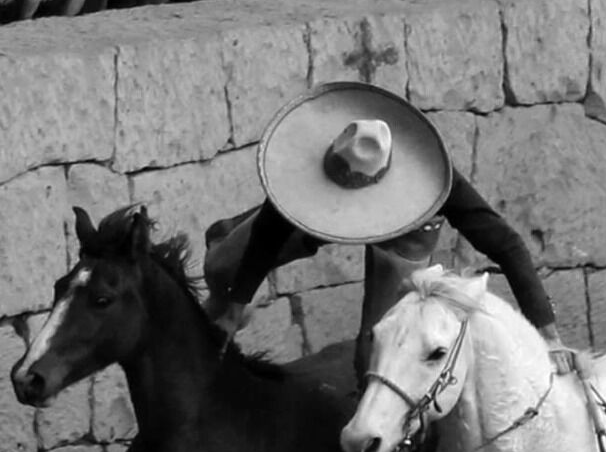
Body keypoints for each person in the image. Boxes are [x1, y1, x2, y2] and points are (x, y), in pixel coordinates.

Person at [201, 82, 557, 431]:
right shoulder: (309, 177)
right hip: (322, 209)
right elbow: (267, 237)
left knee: (377, 352)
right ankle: (220, 305)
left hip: (406, 230)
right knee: (224, 264)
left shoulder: (432, 182)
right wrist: (234, 306)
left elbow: (506, 244)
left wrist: (548, 336)